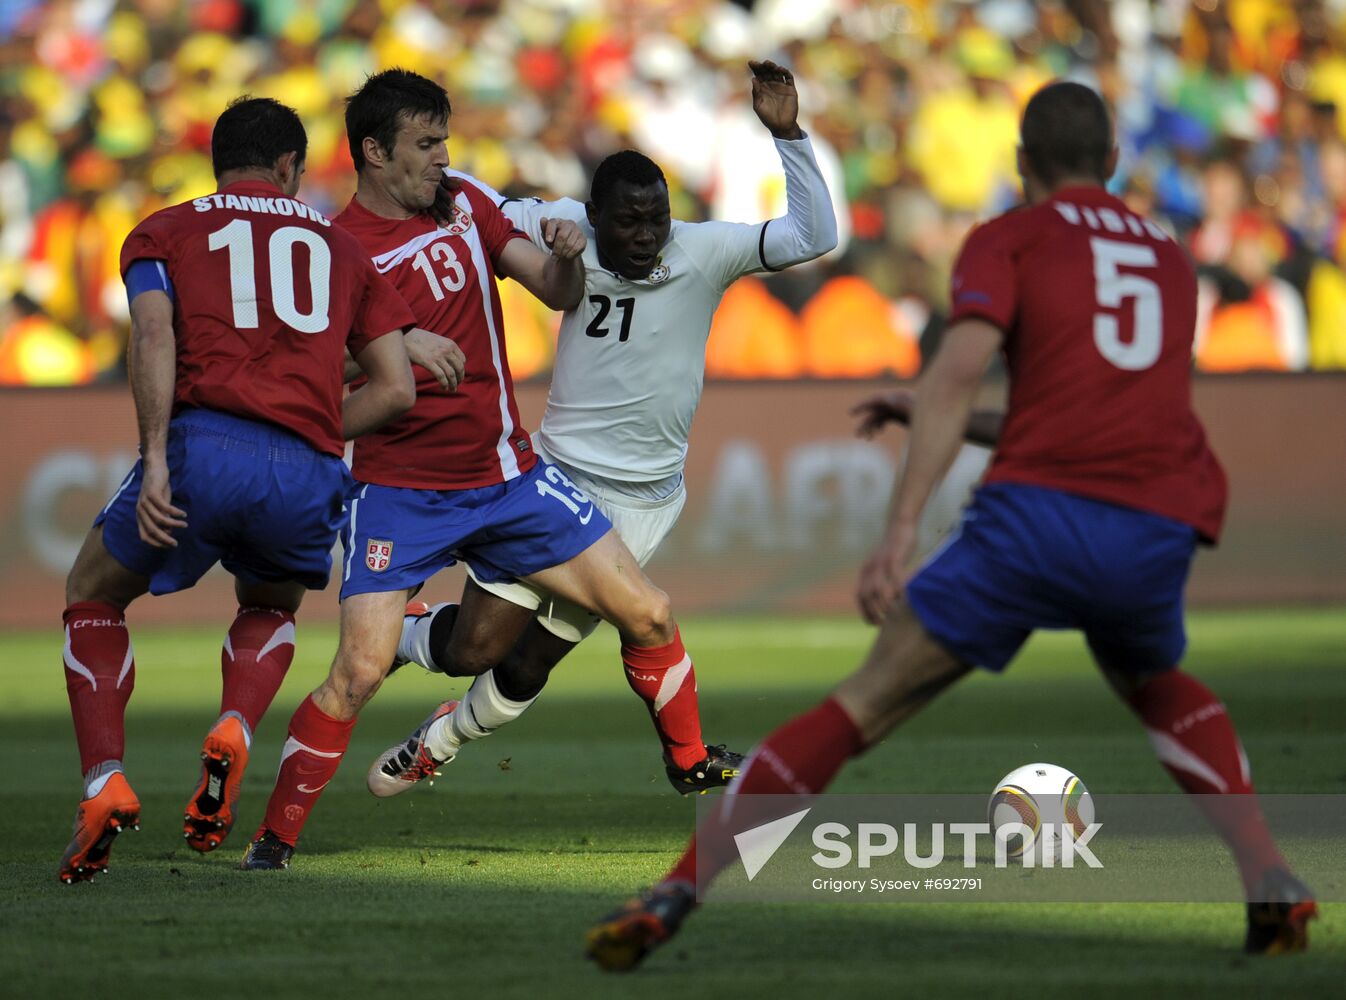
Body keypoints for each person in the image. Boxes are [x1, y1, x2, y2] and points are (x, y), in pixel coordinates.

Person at [583, 81, 1318, 968]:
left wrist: (897, 536)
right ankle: (1269, 872)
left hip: (1037, 523)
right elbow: (1096, 417)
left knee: (863, 704)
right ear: (1114, 162)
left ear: (1022, 163)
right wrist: (943, 416)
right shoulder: (1165, 255)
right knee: (1154, 675)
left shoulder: (1009, 239)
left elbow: (958, 375)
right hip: (1157, 518)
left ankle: (677, 891)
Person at [239, 69, 729, 870]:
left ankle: (687, 765)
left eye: (444, 141)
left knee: (649, 614)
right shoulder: (331, 251)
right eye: (425, 144)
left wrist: (568, 259)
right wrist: (391, 353)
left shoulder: (462, 197)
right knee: (356, 674)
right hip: (397, 493)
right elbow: (308, 389)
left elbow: (551, 286)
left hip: (508, 477)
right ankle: (273, 841)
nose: (442, 157)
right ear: (373, 151)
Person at [370, 59, 837, 798]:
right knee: (478, 649)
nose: (647, 235)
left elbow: (814, 236)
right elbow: (471, 205)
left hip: (649, 500)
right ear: (594, 215)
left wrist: (790, 138)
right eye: (628, 221)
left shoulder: (702, 250)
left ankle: (438, 739)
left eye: (656, 218)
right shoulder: (562, 232)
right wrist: (416, 173)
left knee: (526, 664)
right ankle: (401, 639)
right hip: (558, 484)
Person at [57, 97, 417, 884]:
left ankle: (103, 780)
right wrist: (320, 428)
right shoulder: (344, 249)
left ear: (218, 160)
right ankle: (234, 721)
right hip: (309, 463)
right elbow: (395, 390)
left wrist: (155, 458)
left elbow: (153, 335)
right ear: (289, 167)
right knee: (269, 603)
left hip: (204, 447)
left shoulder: (164, 230)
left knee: (92, 593)